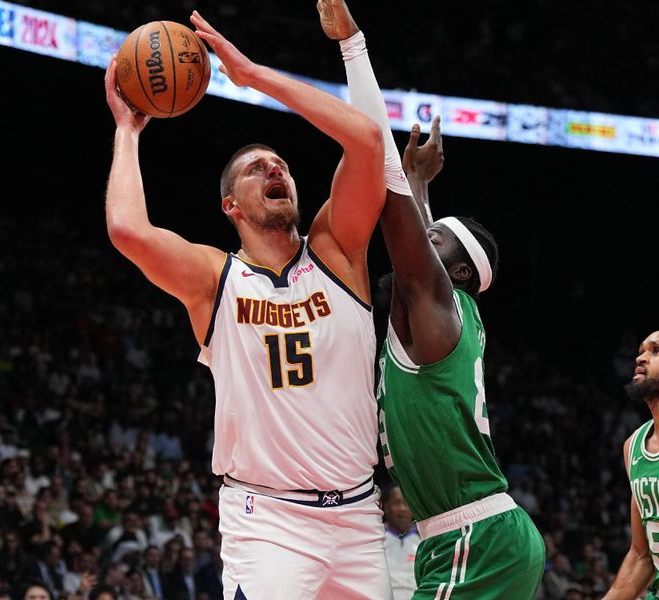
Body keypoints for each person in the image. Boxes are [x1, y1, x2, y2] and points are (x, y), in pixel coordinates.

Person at [104, 9, 390, 599]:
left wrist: (253, 76)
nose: (274, 167)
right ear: (231, 206)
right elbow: (128, 230)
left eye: (280, 164)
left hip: (361, 518)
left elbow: (365, 139)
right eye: (256, 169)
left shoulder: (338, 254)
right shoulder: (216, 277)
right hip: (271, 524)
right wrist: (127, 131)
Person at [317, 1, 546, 597]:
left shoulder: (438, 306)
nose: (424, 238)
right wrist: (423, 186)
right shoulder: (437, 316)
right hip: (462, 535)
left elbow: (384, 178)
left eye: (436, 238)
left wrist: (353, 48)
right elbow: (416, 230)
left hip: (475, 538)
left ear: (463, 271)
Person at [602, 330, 659, 599]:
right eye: (641, 350)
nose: (641, 357)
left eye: (655, 351)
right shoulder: (633, 446)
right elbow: (641, 555)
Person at [381, 483, 420, 600]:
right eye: (396, 503)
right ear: (386, 507)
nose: (402, 508)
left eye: (406, 503)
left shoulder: (424, 540)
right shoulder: (375, 537)